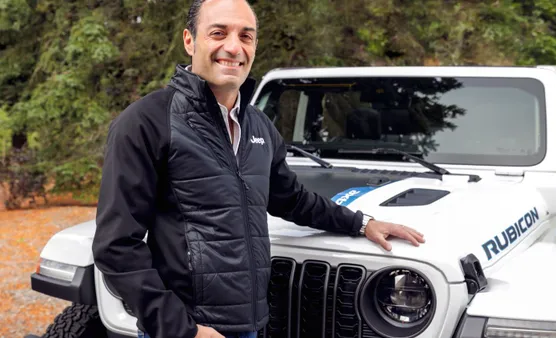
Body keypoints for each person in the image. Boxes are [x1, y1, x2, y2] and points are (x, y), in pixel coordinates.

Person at [91, 1, 425, 338]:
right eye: (218, 33)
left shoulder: (259, 126)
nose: (233, 47)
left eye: (245, 36)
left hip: (252, 325)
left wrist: (362, 223)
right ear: (190, 41)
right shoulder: (146, 122)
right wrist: (183, 330)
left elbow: (292, 199)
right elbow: (116, 246)